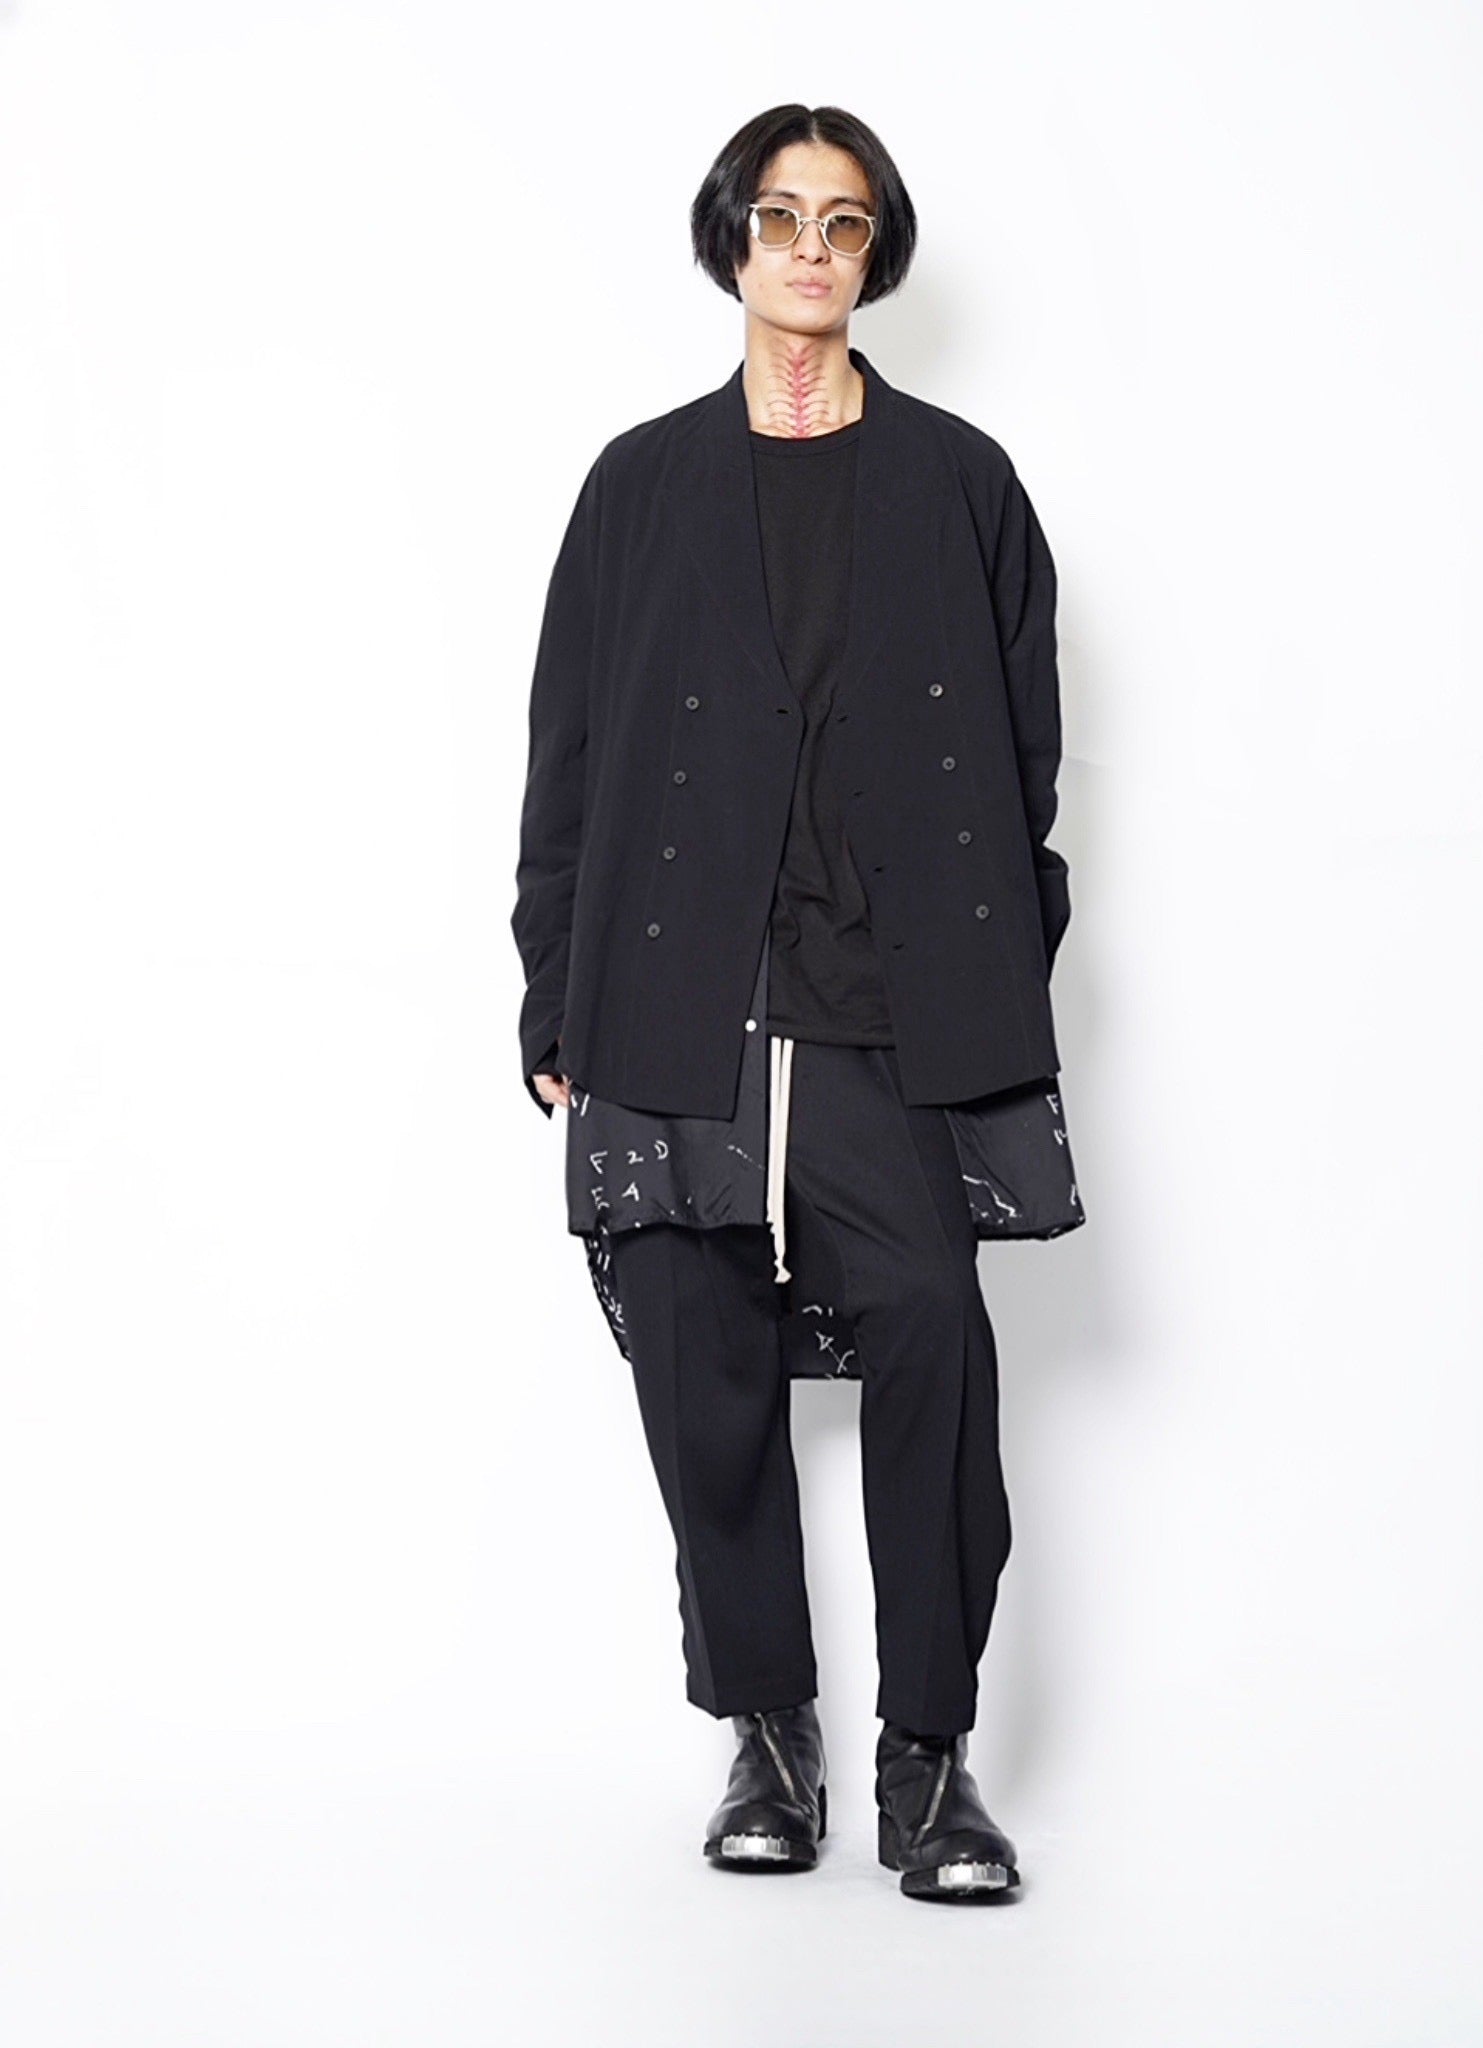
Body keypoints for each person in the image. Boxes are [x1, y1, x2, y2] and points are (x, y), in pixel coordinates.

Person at [510, 103, 1081, 1902]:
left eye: (845, 222)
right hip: (670, 993)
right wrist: (552, 993)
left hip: (884, 998)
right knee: (699, 1363)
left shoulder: (963, 482)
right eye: (782, 217)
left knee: (932, 1336)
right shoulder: (638, 487)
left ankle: (930, 1759)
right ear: (733, 242)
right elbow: (567, 756)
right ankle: (767, 1731)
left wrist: (1000, 964)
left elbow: (1024, 765)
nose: (812, 249)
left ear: (874, 253)